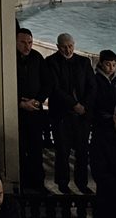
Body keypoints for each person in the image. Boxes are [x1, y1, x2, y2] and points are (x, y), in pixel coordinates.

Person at [44, 32, 94, 195]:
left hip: (82, 115)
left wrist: (84, 106)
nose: (68, 50)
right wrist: (75, 105)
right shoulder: (51, 62)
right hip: (62, 115)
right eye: (64, 47)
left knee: (82, 151)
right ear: (58, 47)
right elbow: (55, 89)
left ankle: (82, 182)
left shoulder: (84, 62)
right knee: (62, 151)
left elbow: (92, 87)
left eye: (70, 46)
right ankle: (63, 183)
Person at [14, 27, 48, 194]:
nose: (27, 46)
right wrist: (19, 102)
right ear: (15, 41)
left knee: (36, 148)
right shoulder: (9, 58)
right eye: (23, 42)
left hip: (35, 110)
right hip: (16, 111)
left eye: (30, 43)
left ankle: (38, 184)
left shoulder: (37, 57)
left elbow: (47, 83)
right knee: (19, 148)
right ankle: (22, 183)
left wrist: (38, 100)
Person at [92, 50, 116, 134]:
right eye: (108, 64)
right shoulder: (95, 79)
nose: (111, 68)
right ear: (101, 63)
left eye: (114, 65)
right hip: (100, 115)